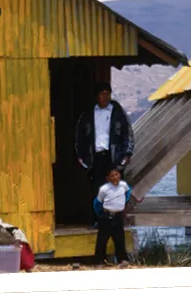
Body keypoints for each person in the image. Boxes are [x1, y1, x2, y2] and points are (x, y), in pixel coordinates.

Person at [75, 82, 135, 227]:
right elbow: (79, 137)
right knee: (97, 190)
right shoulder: (87, 114)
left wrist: (126, 155)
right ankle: (98, 220)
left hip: (113, 156)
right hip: (95, 157)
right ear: (97, 96)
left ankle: (116, 220)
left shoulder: (118, 112)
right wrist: (82, 158)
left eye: (108, 93)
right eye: (102, 93)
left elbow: (128, 134)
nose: (105, 96)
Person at [93, 166, 131, 267]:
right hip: (106, 216)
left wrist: (124, 202)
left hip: (118, 216)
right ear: (108, 178)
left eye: (117, 174)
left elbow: (128, 192)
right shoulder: (104, 189)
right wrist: (101, 214)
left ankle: (122, 260)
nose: (115, 177)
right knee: (102, 240)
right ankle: (100, 261)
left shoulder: (123, 185)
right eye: (112, 176)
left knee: (119, 239)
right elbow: (97, 203)